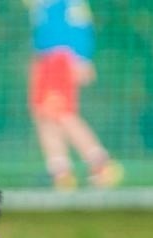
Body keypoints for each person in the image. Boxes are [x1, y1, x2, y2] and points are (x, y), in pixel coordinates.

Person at [25, 0, 121, 190]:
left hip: (61, 57)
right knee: (43, 115)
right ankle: (60, 172)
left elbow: (81, 24)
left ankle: (101, 164)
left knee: (61, 113)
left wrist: (82, 57)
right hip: (44, 57)